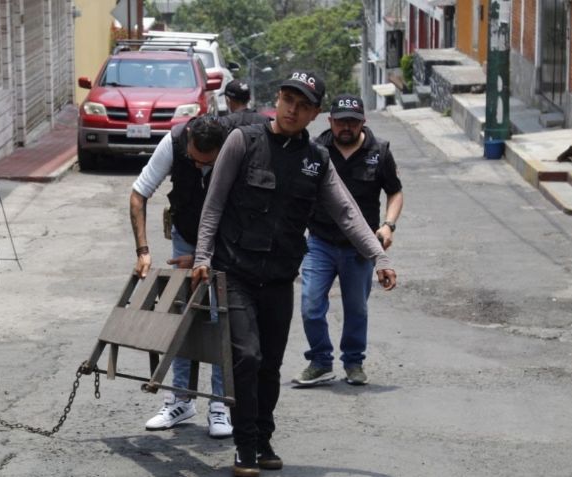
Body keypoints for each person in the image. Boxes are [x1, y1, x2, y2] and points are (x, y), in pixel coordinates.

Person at [191, 70, 397, 477]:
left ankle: (263, 437)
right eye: (287, 99)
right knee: (246, 357)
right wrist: (201, 256)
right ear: (278, 99)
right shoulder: (243, 141)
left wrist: (381, 258)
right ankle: (244, 446)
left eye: (303, 105)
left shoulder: (315, 160)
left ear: (315, 114)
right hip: (235, 272)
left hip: (280, 277)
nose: (292, 109)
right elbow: (213, 204)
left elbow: (348, 214)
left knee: (269, 364)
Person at [130, 114, 233, 438]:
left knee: (217, 316)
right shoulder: (173, 143)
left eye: (208, 163)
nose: (200, 167)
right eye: (195, 160)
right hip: (185, 233)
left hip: (225, 239)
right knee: (182, 312)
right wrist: (143, 251)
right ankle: (180, 399)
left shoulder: (237, 147)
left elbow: (249, 210)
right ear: (188, 140)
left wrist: (207, 256)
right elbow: (138, 194)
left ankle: (219, 404)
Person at [293, 94, 403, 388]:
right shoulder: (314, 150)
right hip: (319, 241)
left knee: (357, 308)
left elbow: (395, 192)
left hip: (359, 248)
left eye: (352, 122)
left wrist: (389, 225)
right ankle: (320, 361)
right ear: (330, 121)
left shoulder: (379, 152)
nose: (346, 127)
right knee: (310, 305)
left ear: (362, 123)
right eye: (340, 121)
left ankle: (354, 362)